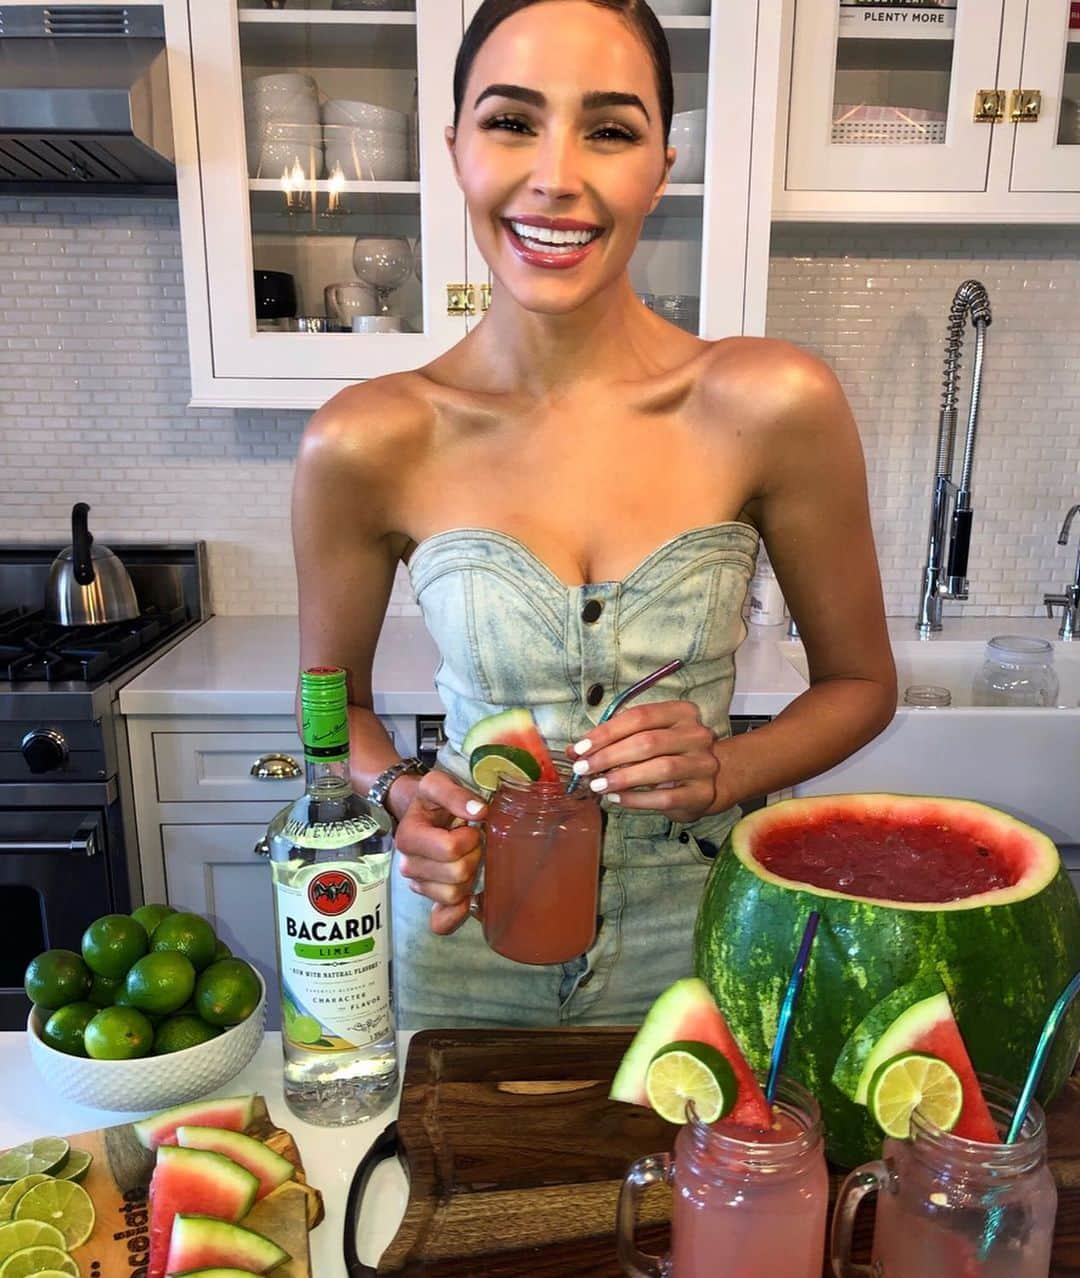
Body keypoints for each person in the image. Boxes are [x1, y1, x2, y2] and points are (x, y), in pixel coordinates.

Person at [291, 0, 896, 1028]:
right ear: (456, 150)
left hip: (707, 941)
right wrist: (399, 790)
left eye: (609, 130)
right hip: (462, 935)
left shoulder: (773, 404)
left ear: (661, 164)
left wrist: (730, 769)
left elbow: (862, 685)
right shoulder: (363, 439)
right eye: (511, 121)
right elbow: (321, 714)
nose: (556, 175)